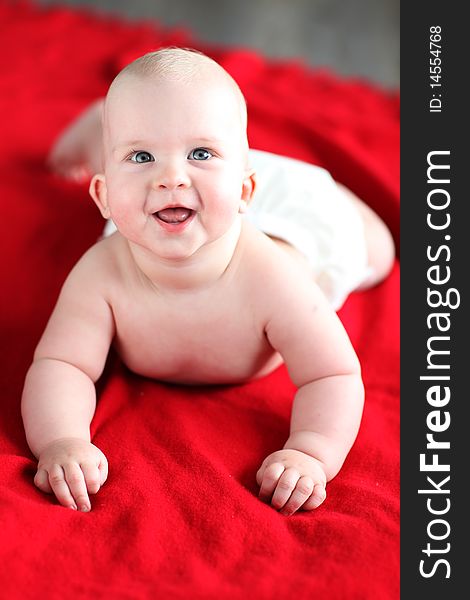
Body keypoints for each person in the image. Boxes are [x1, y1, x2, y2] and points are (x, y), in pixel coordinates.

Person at [22, 48, 394, 515]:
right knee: (155, 146)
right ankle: (107, 127)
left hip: (292, 218)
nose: (169, 177)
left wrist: (311, 452)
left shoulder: (275, 281)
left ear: (244, 191)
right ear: (101, 196)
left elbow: (332, 373)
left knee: (376, 252)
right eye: (141, 155)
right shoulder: (101, 274)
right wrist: (61, 440)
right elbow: (61, 363)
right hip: (202, 197)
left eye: (199, 153)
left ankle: (323, 190)